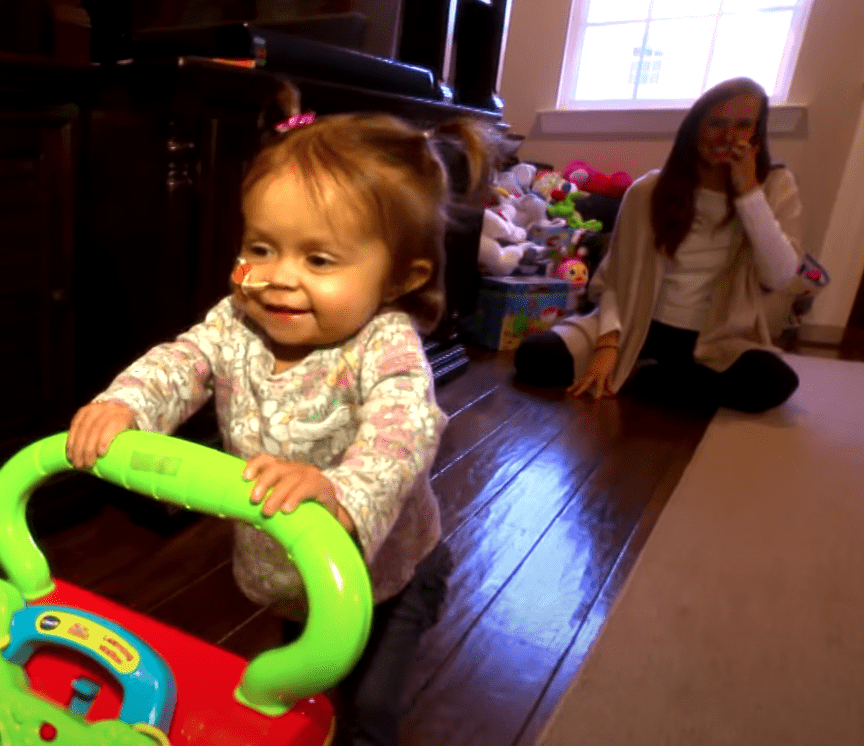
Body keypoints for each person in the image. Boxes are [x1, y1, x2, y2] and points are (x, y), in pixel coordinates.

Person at [66, 112, 488, 745]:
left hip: (387, 575)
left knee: (368, 709)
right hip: (289, 571)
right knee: (294, 693)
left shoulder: (385, 343)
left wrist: (342, 492)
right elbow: (183, 361)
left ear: (402, 276)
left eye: (318, 259)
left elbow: (404, 432)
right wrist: (124, 405)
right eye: (260, 248)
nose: (278, 277)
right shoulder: (235, 320)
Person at [514, 77, 802, 414]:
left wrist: (749, 194)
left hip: (716, 337)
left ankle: (657, 379)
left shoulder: (776, 187)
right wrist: (607, 345)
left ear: (756, 132)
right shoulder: (648, 190)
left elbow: (781, 277)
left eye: (742, 125)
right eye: (717, 123)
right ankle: (659, 375)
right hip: (639, 323)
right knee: (536, 358)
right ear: (695, 128)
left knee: (774, 383)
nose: (728, 137)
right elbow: (616, 280)